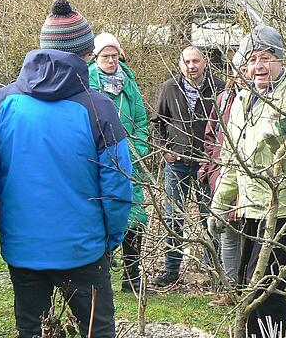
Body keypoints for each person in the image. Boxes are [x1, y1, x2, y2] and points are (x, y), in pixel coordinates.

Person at [0, 0, 133, 338]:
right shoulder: (99, 108)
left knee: (31, 330)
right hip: (83, 248)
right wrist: (111, 239)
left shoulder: (2, 102)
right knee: (97, 330)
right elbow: (118, 186)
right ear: (86, 53)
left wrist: (9, 224)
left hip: (23, 246)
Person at [211, 25, 286, 338]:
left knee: (267, 288)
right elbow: (232, 157)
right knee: (248, 284)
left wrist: (267, 131)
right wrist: (219, 204)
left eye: (266, 57)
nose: (259, 65)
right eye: (252, 59)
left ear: (280, 60)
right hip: (250, 206)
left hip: (284, 207)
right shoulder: (243, 100)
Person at [150, 45, 224, 286]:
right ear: (180, 64)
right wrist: (166, 151)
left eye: (195, 61)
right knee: (173, 218)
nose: (191, 66)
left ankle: (213, 270)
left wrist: (215, 156)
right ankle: (171, 269)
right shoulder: (169, 87)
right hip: (177, 162)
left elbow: (226, 124)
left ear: (204, 62)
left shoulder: (219, 87)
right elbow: (158, 123)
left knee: (209, 217)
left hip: (207, 163)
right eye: (186, 62)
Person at [87, 32, 149, 294]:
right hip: (98, 159)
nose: (111, 60)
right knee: (100, 214)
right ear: (96, 57)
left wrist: (138, 150)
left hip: (130, 158)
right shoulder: (87, 83)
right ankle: (100, 273)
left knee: (134, 216)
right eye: (105, 56)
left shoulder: (129, 84)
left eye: (114, 55)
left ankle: (132, 278)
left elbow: (142, 121)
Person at [201, 49, 248, 306]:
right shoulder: (222, 99)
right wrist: (211, 166)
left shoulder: (262, 99)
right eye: (237, 69)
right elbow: (210, 136)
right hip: (224, 176)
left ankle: (251, 289)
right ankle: (231, 290)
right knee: (228, 236)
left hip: (252, 180)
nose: (241, 74)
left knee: (252, 238)